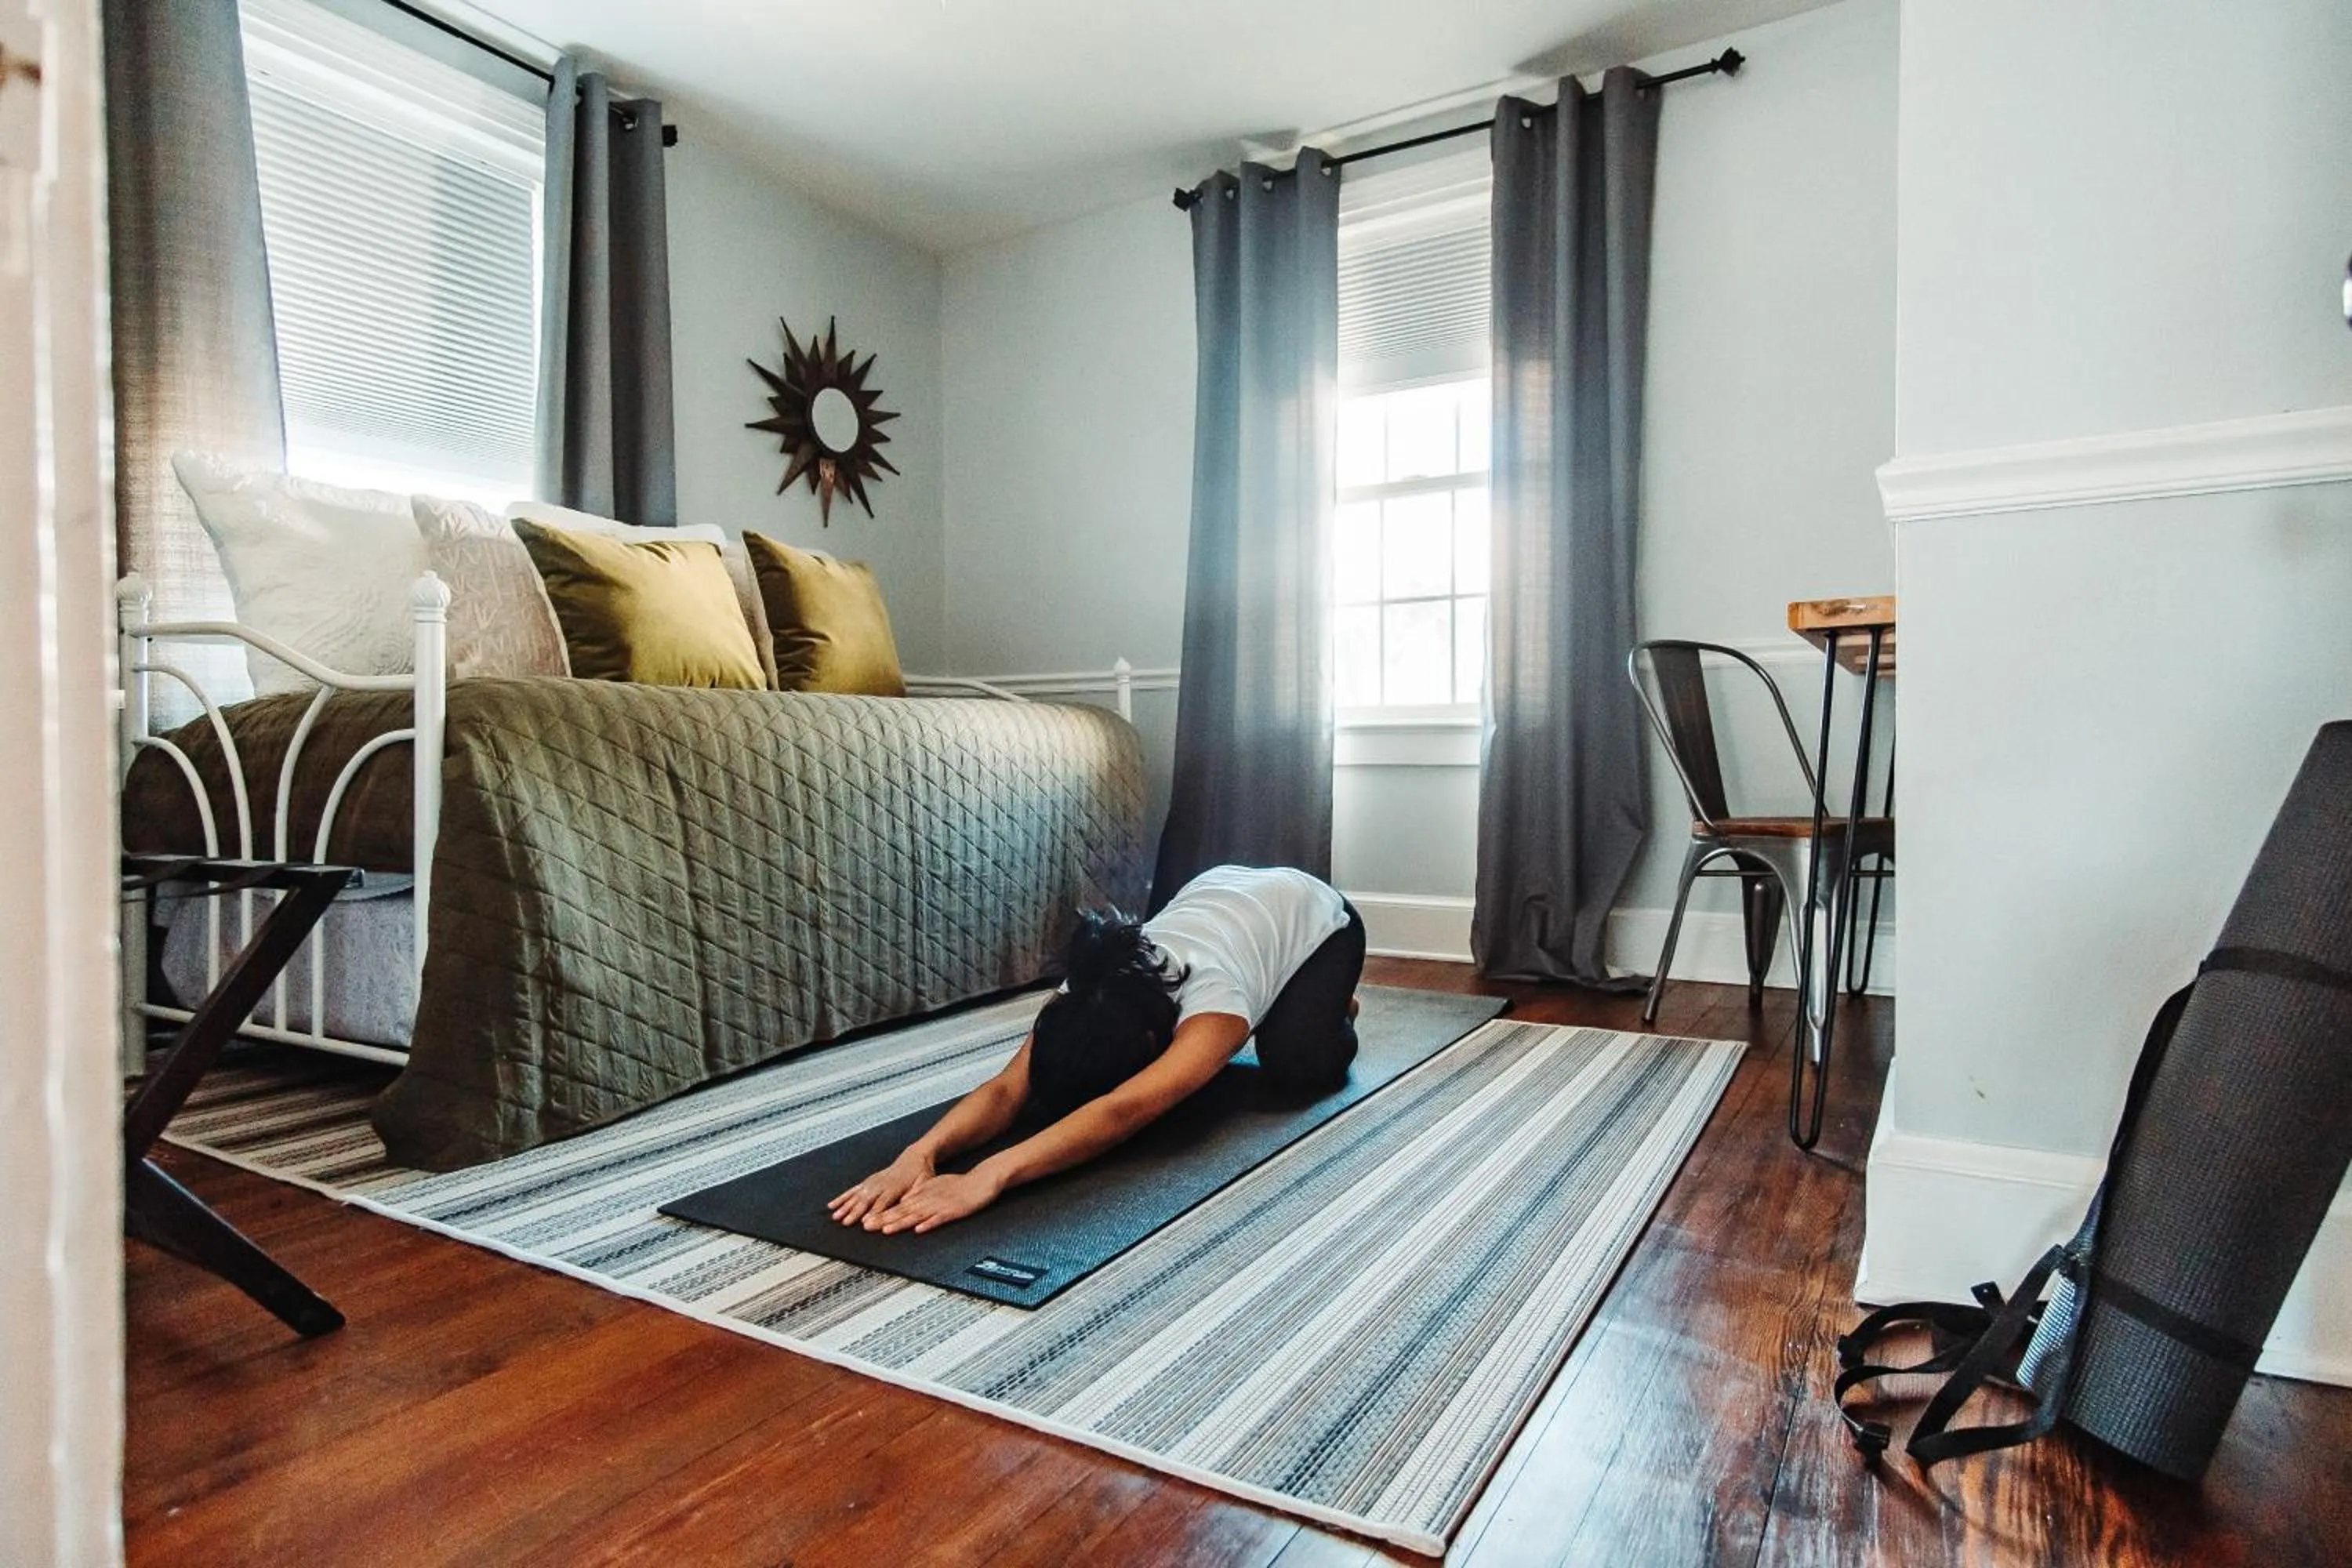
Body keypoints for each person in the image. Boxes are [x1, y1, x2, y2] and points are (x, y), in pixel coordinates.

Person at [829, 864, 1367, 1236]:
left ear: (1154, 1044)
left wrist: (987, 1175)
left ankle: (1333, 1005)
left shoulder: (1215, 1002)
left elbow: (1123, 1109)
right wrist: (919, 1153)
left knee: (1297, 1067)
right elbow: (1006, 1089)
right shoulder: (1089, 985)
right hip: (1223, 890)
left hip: (1316, 915)